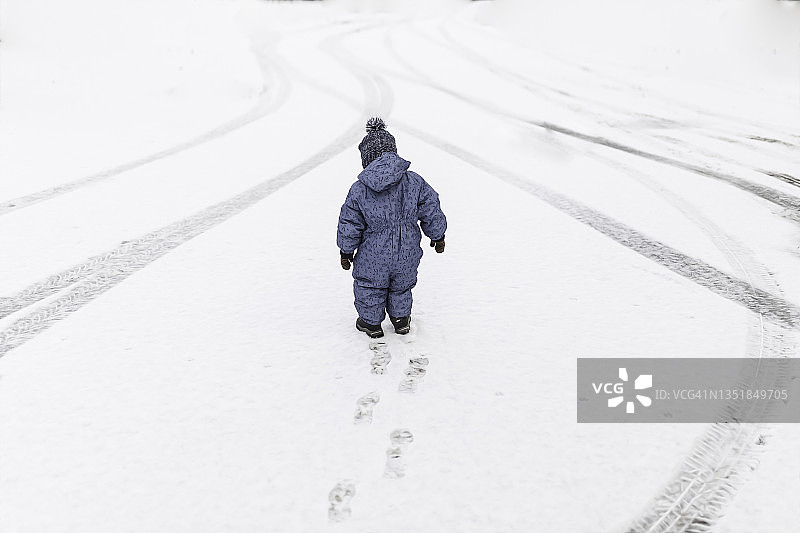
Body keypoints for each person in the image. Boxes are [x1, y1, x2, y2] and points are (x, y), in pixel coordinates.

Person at [337, 118, 447, 338]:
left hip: (372, 253)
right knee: (401, 286)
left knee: (370, 286)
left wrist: (346, 251)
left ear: (366, 158)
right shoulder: (414, 182)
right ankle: (400, 320)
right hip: (407, 250)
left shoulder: (359, 189)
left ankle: (370, 323)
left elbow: (350, 222)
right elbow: (430, 207)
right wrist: (438, 234)